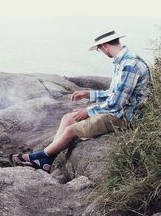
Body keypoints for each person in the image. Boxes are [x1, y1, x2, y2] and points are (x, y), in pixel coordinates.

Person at [10, 29, 151, 172]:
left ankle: (36, 157)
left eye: (99, 49)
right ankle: (46, 161)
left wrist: (88, 111)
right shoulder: (121, 62)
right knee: (68, 118)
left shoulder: (129, 65)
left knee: (71, 130)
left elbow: (116, 103)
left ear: (104, 46)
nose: (101, 52)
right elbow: (113, 93)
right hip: (118, 111)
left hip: (125, 116)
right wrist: (87, 94)